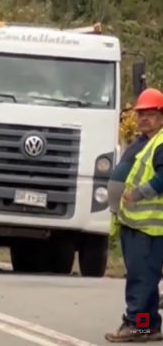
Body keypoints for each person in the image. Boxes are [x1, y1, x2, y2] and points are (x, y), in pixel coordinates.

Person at [106, 87, 163, 342]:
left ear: (161, 117)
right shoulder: (144, 141)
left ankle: (136, 324)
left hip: (148, 228)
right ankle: (148, 326)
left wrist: (138, 194)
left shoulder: (160, 143)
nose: (143, 119)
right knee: (145, 282)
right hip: (135, 225)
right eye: (141, 114)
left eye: (149, 115)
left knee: (141, 282)